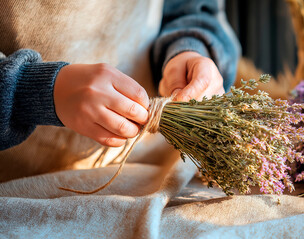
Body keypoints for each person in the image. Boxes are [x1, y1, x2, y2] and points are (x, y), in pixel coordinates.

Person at [0, 0, 240, 151]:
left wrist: (187, 48)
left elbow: (191, 9)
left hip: (146, 160)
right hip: (16, 185)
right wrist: (34, 89)